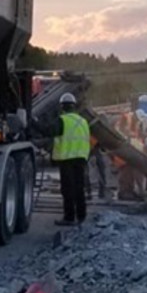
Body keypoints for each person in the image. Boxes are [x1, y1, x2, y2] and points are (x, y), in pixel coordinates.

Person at [52, 92, 91, 227]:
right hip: (81, 158)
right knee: (79, 188)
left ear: (62, 107)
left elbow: (50, 132)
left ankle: (69, 217)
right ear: (74, 106)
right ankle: (81, 216)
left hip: (67, 158)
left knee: (68, 189)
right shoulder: (83, 121)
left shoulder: (62, 120)